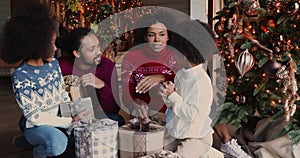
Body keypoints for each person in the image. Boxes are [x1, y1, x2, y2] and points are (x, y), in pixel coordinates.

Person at [0, 1, 88, 157]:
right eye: (52, 43)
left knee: (80, 138)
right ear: (36, 44)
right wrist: (69, 122)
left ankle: (27, 141)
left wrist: (74, 113)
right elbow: (35, 117)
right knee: (57, 145)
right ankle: (38, 150)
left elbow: (62, 94)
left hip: (58, 120)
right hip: (36, 125)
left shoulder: (53, 64)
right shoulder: (21, 76)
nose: (56, 48)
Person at [159, 19, 215, 158]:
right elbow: (173, 108)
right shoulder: (180, 74)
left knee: (181, 155)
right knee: (157, 149)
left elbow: (192, 115)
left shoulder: (202, 81)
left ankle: (211, 153)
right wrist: (167, 96)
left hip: (197, 137)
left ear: (183, 55)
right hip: (178, 132)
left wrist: (174, 96)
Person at [197, 20, 252, 158]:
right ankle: (219, 143)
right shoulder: (179, 59)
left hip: (202, 100)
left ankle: (227, 143)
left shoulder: (211, 58)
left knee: (213, 101)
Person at [57, 27, 125, 126]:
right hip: (68, 120)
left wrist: (102, 86)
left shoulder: (107, 66)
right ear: (77, 53)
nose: (99, 52)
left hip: (96, 117)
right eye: (92, 49)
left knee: (117, 119)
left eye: (98, 47)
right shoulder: (60, 67)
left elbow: (113, 109)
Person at [121, 11, 176, 119]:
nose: (157, 40)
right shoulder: (131, 57)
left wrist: (161, 77)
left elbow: (184, 81)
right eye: (151, 35)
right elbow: (126, 93)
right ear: (145, 37)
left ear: (168, 36)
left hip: (173, 113)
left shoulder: (175, 56)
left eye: (162, 34)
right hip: (143, 114)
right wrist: (135, 102)